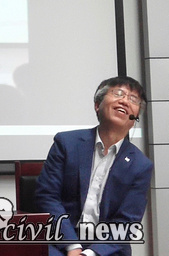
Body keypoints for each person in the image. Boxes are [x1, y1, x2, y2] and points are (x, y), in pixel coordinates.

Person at [36, 76, 153, 256]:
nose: (124, 101)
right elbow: (48, 196)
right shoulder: (66, 143)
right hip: (60, 243)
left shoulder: (141, 165)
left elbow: (127, 221)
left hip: (106, 249)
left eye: (133, 99)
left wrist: (89, 254)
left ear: (135, 117)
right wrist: (72, 246)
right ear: (97, 105)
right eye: (118, 93)